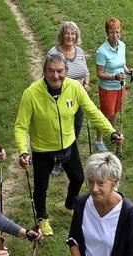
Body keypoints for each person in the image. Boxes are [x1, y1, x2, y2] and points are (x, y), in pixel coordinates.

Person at [15, 52, 124, 236]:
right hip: (42, 149)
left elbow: (92, 111)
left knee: (78, 178)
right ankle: (42, 218)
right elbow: (21, 127)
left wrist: (111, 132)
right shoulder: (31, 93)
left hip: (68, 144)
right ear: (44, 72)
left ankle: (69, 205)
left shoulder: (74, 87)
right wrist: (22, 151)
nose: (55, 75)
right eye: (51, 71)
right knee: (41, 187)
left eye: (60, 71)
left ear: (67, 71)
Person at [48, 21, 91, 176]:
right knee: (61, 130)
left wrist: (86, 83)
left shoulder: (79, 51)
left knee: (77, 126)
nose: (70, 36)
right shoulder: (54, 53)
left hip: (78, 97)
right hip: (60, 98)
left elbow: (86, 71)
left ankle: (69, 155)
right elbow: (47, 76)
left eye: (73, 33)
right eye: (67, 33)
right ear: (62, 35)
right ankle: (57, 161)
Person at [94, 18, 133, 152]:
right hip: (107, 88)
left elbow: (122, 65)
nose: (115, 35)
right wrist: (114, 76)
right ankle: (99, 140)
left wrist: (129, 71)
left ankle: (112, 135)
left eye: (117, 32)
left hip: (120, 86)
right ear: (107, 33)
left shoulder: (122, 45)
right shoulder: (101, 51)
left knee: (115, 111)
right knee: (105, 114)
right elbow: (99, 74)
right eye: (112, 32)